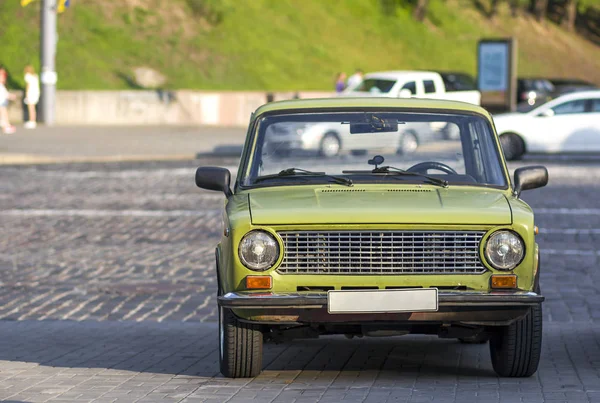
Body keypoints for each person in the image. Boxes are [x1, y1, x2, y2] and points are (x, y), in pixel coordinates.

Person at [0, 67, 16, 134]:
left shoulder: (2, 85)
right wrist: (10, 96)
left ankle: (6, 125)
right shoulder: (1, 86)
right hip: (2, 102)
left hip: (3, 102)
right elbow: (4, 94)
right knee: (4, 115)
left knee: (4, 114)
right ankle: (5, 126)